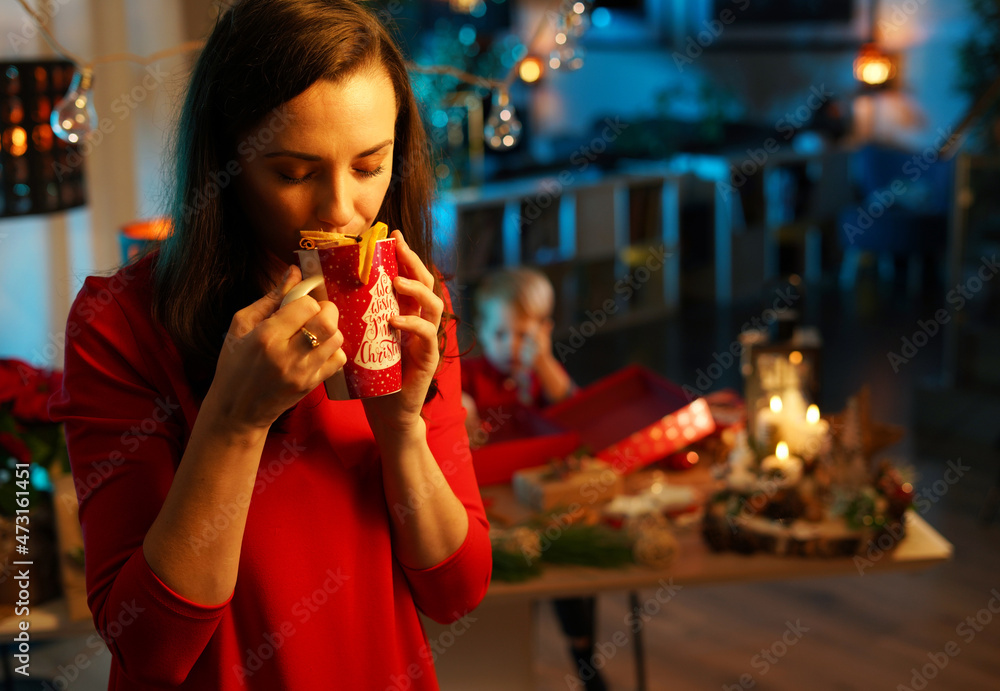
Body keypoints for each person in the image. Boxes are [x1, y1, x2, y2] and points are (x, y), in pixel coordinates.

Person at [47, 1, 491, 688]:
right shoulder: (119, 323)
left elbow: (456, 593)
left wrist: (402, 429)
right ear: (225, 165)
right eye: (293, 173)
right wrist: (235, 421)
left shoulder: (412, 304)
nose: (340, 210)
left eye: (369, 165)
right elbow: (149, 648)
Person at [460, 268, 607, 691]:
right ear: (482, 331)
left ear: (544, 332)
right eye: (500, 334)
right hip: (493, 498)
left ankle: (583, 654)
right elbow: (454, 414)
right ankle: (513, 663)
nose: (511, 346)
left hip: (541, 495)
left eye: (524, 335)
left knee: (569, 574)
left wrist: (542, 361)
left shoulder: (540, 374)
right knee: (513, 585)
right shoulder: (471, 376)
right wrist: (462, 410)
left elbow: (575, 410)